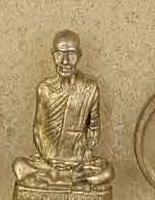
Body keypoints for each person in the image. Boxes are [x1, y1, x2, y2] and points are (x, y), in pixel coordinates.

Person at [13, 30, 114, 188]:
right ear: (52, 55)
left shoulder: (89, 88)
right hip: (49, 160)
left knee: (108, 172)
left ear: (79, 56)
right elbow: (38, 129)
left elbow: (93, 127)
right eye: (59, 54)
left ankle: (55, 179)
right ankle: (68, 180)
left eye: (71, 54)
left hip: (78, 160)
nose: (65, 61)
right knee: (18, 165)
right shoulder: (44, 89)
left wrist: (86, 152)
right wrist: (48, 157)